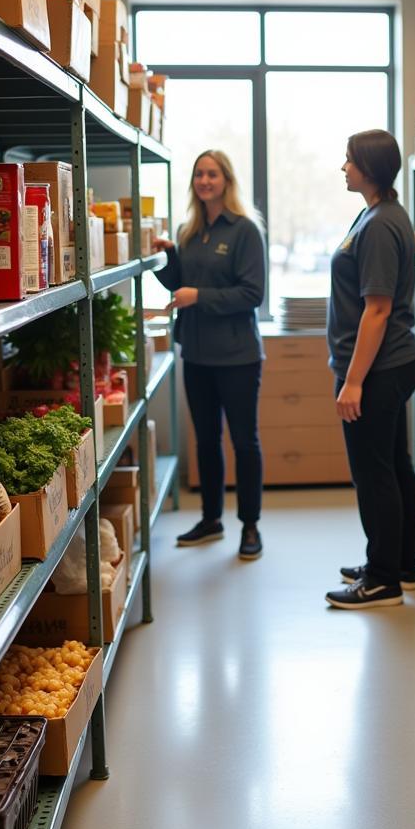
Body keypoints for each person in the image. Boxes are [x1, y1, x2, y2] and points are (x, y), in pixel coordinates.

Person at [324, 129, 415, 610]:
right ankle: (400, 564)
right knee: (395, 466)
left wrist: (354, 380)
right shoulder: (376, 214)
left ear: (369, 167)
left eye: (349, 161)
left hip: (378, 368)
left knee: (373, 472)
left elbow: (377, 310)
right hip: (390, 363)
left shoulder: (381, 223)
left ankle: (383, 580)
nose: (343, 168)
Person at [153, 150, 267, 560]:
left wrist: (198, 295)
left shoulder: (244, 231)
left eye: (212, 174)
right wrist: (165, 257)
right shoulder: (189, 230)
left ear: (226, 181)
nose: (205, 180)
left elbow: (252, 294)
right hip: (197, 355)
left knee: (244, 442)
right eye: (199, 174)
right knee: (205, 440)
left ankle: (250, 526)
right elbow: (178, 283)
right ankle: (211, 519)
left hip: (237, 356)